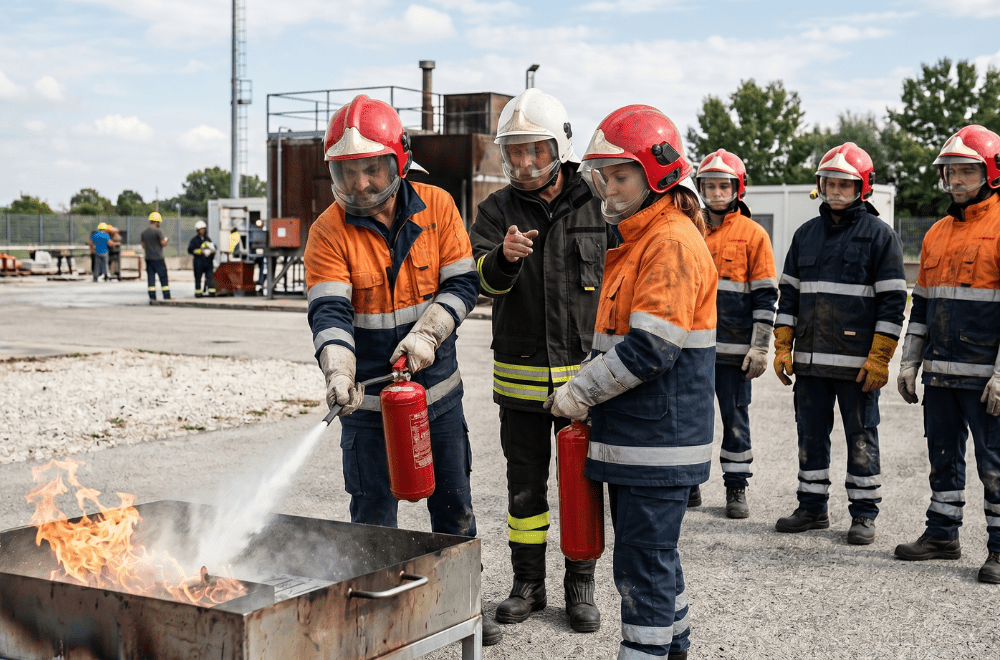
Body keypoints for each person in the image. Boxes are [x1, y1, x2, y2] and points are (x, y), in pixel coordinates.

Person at [303, 95, 489, 633]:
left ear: (399, 162)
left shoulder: (439, 206)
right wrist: (338, 370)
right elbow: (330, 309)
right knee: (372, 517)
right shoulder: (327, 231)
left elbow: (462, 283)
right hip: (366, 406)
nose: (359, 184)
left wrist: (429, 333)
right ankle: (378, 617)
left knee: (452, 509)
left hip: (438, 400)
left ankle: (462, 606)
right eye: (347, 172)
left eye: (371, 169)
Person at [547, 104, 716, 660]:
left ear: (658, 175)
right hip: (641, 439)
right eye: (603, 177)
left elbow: (649, 350)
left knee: (641, 566)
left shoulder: (667, 243)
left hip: (655, 442)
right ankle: (674, 648)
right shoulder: (641, 237)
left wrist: (578, 391)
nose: (608, 190)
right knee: (656, 560)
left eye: (621, 176)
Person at [470, 88, 612, 635]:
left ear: (560, 146)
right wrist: (501, 260)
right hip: (520, 383)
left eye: (535, 150)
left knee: (582, 486)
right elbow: (476, 281)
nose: (524, 164)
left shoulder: (598, 197)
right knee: (524, 490)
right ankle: (527, 584)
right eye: (515, 152)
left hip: (586, 383)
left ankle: (581, 584)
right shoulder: (496, 210)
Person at [772, 143, 906, 544]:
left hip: (858, 366)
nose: (834, 191)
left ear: (862, 187)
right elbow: (789, 295)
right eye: (828, 183)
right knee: (809, 436)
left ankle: (864, 515)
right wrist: (782, 345)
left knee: (861, 437)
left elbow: (893, 302)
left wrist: (880, 358)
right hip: (810, 365)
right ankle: (812, 508)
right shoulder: (805, 235)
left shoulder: (880, 237)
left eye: (844, 185)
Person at [894, 124, 1000, 584]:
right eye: (950, 173)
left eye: (966, 172)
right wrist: (909, 361)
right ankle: (942, 534)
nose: (956, 181)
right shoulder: (936, 233)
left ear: (991, 173)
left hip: (986, 380)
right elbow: (922, 302)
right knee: (943, 456)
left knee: (994, 463)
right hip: (939, 374)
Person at [691, 149, 777, 517]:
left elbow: (765, 296)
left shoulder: (754, 235)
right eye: (709, 186)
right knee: (690, 419)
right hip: (691, 349)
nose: (716, 193)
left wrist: (760, 348)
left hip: (735, 352)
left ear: (737, 188)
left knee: (735, 419)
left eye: (723, 186)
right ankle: (688, 485)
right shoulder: (688, 229)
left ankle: (736, 488)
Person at [141, 211, 170, 300]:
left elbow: (143, 245)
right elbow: (162, 243)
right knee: (163, 277)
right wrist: (166, 241)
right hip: (158, 258)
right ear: (157, 221)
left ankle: (152, 297)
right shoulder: (158, 231)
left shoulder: (144, 232)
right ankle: (166, 296)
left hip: (148, 258)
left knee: (151, 278)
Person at [188, 220, 217, 297]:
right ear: (197, 230)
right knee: (198, 278)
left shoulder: (208, 239)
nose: (202, 230)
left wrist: (212, 252)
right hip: (198, 262)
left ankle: (212, 292)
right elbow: (190, 250)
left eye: (203, 229)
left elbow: (213, 248)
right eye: (201, 229)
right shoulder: (194, 240)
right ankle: (198, 293)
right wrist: (200, 251)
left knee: (210, 277)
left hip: (208, 262)